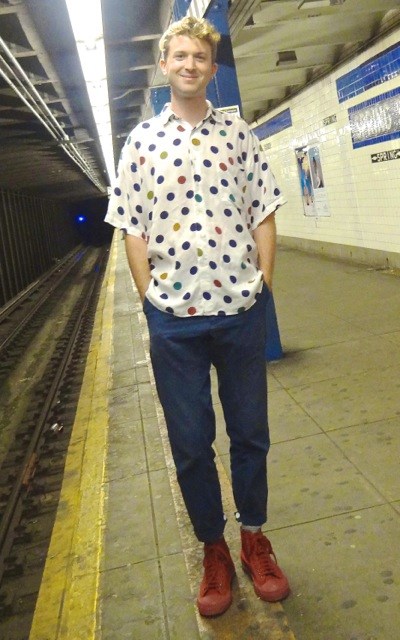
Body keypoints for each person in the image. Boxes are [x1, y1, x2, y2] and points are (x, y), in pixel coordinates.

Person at [105, 15, 290, 617]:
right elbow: (131, 225)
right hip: (174, 321)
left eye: (200, 58)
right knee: (189, 442)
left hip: (239, 311)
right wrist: (149, 297)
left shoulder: (238, 134)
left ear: (213, 69)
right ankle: (213, 547)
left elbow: (262, 208)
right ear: (165, 64)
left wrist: (263, 282)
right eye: (179, 55)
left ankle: (253, 537)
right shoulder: (141, 142)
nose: (189, 64)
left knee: (250, 435)